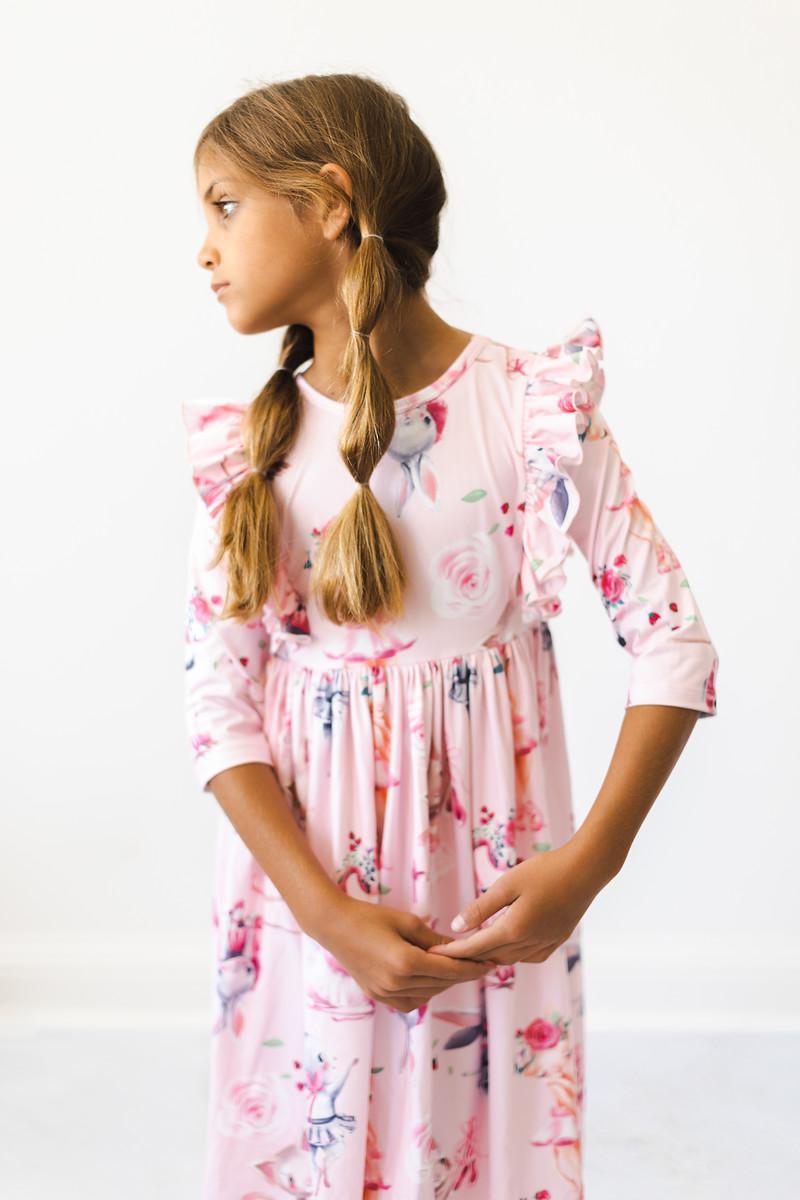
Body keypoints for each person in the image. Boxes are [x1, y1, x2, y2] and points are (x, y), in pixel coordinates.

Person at [181, 72, 719, 1200]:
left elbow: (672, 641)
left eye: (225, 206)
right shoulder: (252, 450)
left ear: (330, 203)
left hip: (495, 917)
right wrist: (325, 915)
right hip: (308, 907)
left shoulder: (528, 411)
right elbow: (216, 705)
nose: (205, 249)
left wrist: (587, 867)